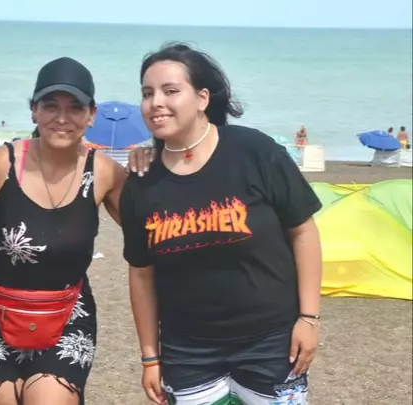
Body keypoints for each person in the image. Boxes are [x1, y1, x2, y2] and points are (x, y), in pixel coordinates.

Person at [122, 42, 323, 405]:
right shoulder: (142, 179)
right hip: (187, 351)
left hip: (272, 342)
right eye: (147, 93)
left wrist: (308, 318)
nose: (156, 103)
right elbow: (141, 274)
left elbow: (303, 231)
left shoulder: (255, 152)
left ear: (202, 98)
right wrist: (150, 357)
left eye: (170, 91)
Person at [0, 56, 126, 405]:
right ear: (34, 111)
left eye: (75, 107)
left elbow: (155, 231)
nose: (62, 118)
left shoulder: (105, 172)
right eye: (50, 106)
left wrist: (159, 159)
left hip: (67, 312)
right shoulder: (1, 164)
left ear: (91, 114)